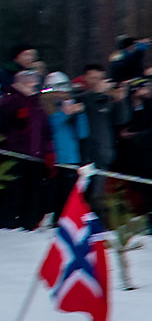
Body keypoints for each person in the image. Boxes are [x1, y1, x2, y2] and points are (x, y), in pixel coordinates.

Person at [0, 69, 52, 229]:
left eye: (34, 84)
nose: (32, 87)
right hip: (14, 156)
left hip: (35, 157)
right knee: (13, 192)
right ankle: (10, 222)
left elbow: (46, 132)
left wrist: (48, 152)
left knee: (32, 192)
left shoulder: (37, 105)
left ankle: (30, 222)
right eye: (29, 83)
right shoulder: (9, 100)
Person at [41, 72, 88, 214]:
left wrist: (80, 114)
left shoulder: (70, 105)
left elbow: (83, 133)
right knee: (52, 197)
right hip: (54, 160)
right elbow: (50, 127)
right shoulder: (45, 105)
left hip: (72, 159)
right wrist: (64, 114)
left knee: (68, 198)